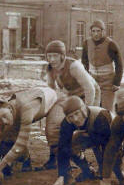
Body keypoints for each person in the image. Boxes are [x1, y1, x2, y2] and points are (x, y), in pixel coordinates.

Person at [36, 40, 100, 171]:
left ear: (62, 55)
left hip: (88, 95)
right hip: (70, 96)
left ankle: (97, 163)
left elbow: (90, 89)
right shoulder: (49, 68)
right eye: (49, 56)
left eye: (55, 56)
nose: (52, 59)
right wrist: (48, 110)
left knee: (90, 127)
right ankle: (54, 157)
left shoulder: (74, 66)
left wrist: (88, 110)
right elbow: (52, 91)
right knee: (52, 124)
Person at [0, 87, 58, 185]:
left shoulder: (26, 109)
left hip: (52, 98)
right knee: (8, 133)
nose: (4, 121)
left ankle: (55, 161)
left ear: (10, 108)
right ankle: (25, 159)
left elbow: (21, 143)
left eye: (4, 117)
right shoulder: (1, 112)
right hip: (26, 102)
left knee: (52, 131)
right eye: (0, 119)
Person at [50, 96, 124, 185]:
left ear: (83, 109)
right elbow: (63, 147)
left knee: (112, 153)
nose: (75, 119)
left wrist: (105, 180)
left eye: (77, 114)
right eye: (71, 116)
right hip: (90, 134)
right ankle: (87, 171)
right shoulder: (67, 122)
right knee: (70, 146)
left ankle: (119, 172)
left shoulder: (101, 117)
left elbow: (108, 148)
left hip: (112, 137)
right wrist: (61, 176)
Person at [81, 20, 123, 112]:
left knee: (106, 110)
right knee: (92, 108)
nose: (96, 34)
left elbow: (119, 64)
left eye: (98, 31)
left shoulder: (111, 44)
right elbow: (84, 62)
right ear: (90, 32)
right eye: (93, 31)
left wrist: (117, 82)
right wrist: (86, 77)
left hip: (108, 81)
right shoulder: (87, 43)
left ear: (103, 31)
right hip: (93, 79)